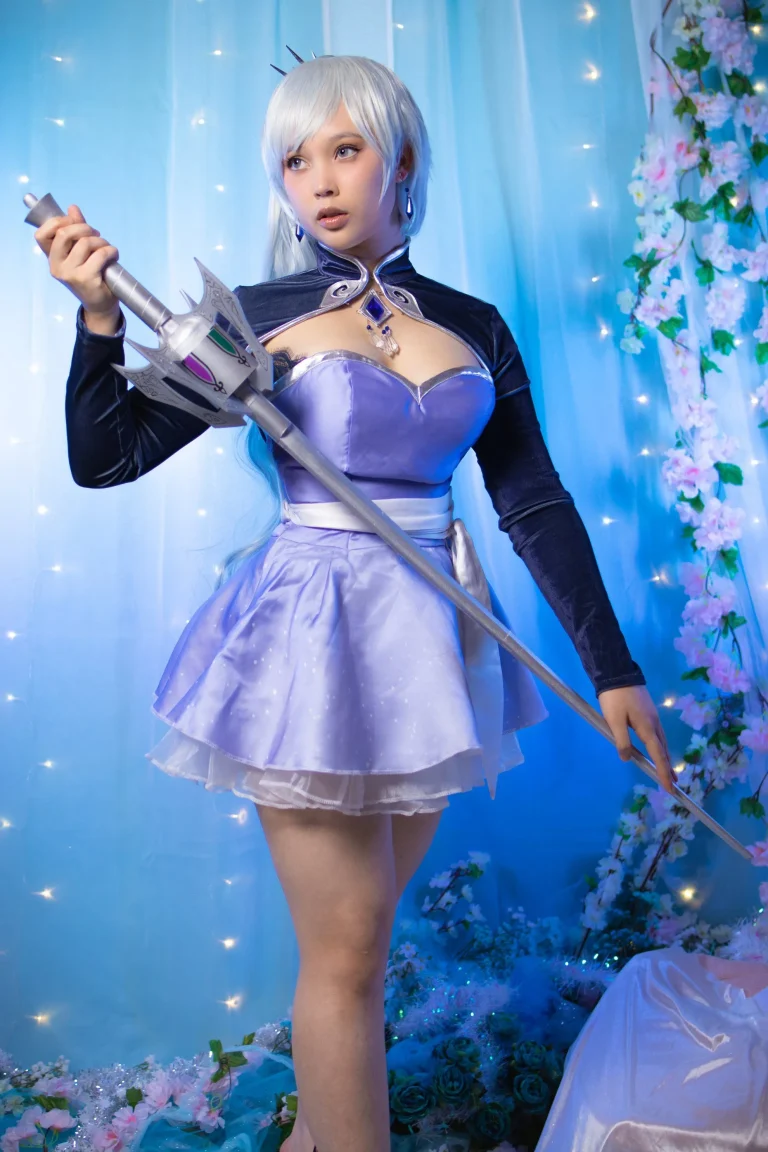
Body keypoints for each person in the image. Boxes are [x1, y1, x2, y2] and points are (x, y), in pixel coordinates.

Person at [35, 54, 674, 1152]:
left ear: (403, 158)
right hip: (308, 641)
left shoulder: (476, 325)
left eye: (346, 149)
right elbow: (110, 458)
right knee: (348, 950)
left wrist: (614, 671)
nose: (320, 181)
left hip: (432, 644)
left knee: (361, 950)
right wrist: (99, 320)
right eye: (295, 160)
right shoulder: (250, 320)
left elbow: (532, 501)